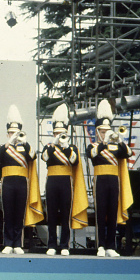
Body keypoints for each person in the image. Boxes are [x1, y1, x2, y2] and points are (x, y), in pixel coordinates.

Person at [0, 105, 43, 255]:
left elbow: (33, 156)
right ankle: (8, 243)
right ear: (7, 134)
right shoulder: (4, 147)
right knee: (8, 213)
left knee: (19, 213)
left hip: (22, 183)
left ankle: (18, 243)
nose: (14, 135)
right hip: (8, 182)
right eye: (11, 133)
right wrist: (9, 143)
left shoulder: (25, 147)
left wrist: (25, 142)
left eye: (16, 133)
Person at [86, 99, 133, 258]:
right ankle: (100, 245)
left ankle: (111, 246)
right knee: (101, 213)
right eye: (103, 130)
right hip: (100, 181)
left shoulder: (115, 146)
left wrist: (119, 139)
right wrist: (104, 142)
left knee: (113, 213)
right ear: (98, 131)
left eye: (107, 130)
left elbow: (128, 153)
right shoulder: (93, 146)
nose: (106, 133)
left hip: (114, 181)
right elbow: (92, 156)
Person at [41, 104, 88, 256]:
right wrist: (54, 144)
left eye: (61, 133)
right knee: (52, 214)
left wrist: (66, 146)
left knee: (65, 214)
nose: (59, 135)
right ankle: (52, 244)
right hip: (52, 181)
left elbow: (74, 161)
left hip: (66, 182)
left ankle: (64, 245)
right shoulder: (48, 147)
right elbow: (44, 158)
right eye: (56, 133)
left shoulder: (72, 147)